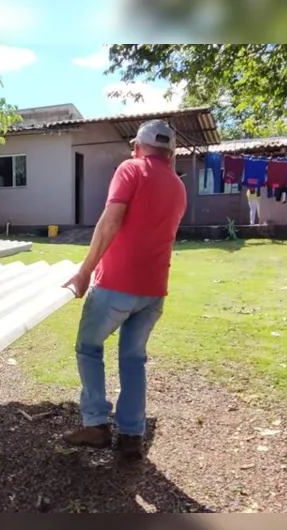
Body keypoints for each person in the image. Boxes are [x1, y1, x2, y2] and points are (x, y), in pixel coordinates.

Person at [62, 119, 187, 459]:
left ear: (138, 146)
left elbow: (110, 221)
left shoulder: (131, 170)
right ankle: (132, 435)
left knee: (88, 346)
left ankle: (96, 425)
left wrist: (85, 271)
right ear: (170, 152)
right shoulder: (178, 185)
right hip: (154, 290)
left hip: (117, 284)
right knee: (132, 359)